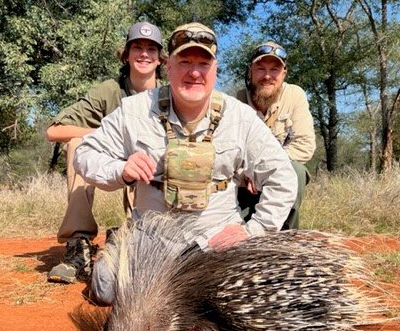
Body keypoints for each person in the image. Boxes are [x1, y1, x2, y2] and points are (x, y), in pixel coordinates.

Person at [73, 22, 298, 304]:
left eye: (203, 63)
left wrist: (253, 231)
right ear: (169, 67)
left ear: (215, 70)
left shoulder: (240, 116)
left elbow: (283, 177)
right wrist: (120, 170)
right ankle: (124, 244)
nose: (194, 72)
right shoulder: (134, 110)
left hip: (216, 238)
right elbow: (85, 154)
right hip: (152, 236)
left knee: (245, 297)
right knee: (106, 289)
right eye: (184, 62)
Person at [46, 21, 165, 284]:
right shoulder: (110, 90)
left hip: (148, 169)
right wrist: (104, 136)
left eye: (151, 49)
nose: (144, 54)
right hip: (112, 159)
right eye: (137, 47)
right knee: (77, 145)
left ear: (159, 59)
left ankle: (132, 236)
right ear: (126, 54)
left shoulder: (168, 94)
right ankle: (78, 246)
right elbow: (54, 131)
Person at [235, 41, 316, 229]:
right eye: (260, 69)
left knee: (295, 171)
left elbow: (304, 146)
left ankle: (287, 238)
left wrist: (265, 169)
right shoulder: (236, 101)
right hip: (246, 182)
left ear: (284, 74)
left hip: (280, 174)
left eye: (274, 70)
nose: (267, 76)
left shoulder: (295, 95)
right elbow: (229, 152)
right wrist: (246, 174)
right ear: (250, 72)